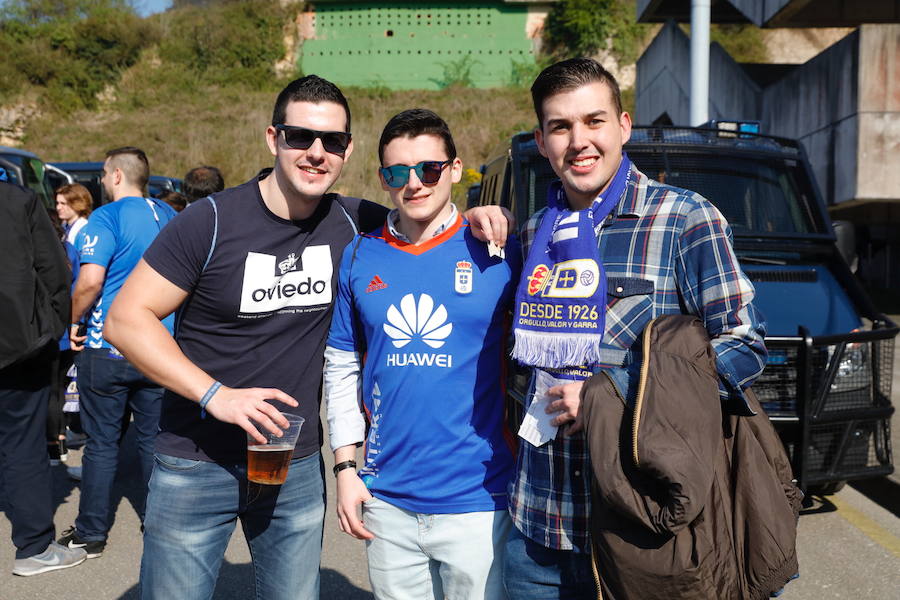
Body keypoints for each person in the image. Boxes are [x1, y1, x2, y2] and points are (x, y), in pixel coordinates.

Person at [103, 75, 510, 600]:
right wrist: (216, 395)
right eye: (301, 137)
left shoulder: (351, 220)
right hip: (197, 460)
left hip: (292, 463)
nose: (317, 153)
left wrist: (484, 215)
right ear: (273, 138)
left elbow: (425, 217)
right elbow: (126, 320)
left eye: (333, 141)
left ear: (348, 151)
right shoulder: (209, 221)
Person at [502, 58, 767, 598]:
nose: (579, 141)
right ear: (542, 140)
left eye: (594, 121)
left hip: (639, 528)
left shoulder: (685, 219)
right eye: (561, 126)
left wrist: (612, 398)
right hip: (536, 527)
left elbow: (743, 347)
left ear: (623, 125)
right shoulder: (533, 234)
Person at [325, 109, 520, 600]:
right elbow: (343, 365)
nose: (413, 183)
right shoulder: (359, 254)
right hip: (386, 499)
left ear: (455, 169)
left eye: (429, 169)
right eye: (397, 173)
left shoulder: (500, 250)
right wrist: (345, 469)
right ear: (381, 179)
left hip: (479, 498)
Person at [56, 147, 177, 559]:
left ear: (118, 176)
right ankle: (159, 525)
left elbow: (90, 281)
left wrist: (70, 320)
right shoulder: (169, 216)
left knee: (103, 442)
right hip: (159, 348)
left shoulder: (106, 218)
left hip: (108, 346)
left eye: (105, 175)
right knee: (151, 441)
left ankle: (91, 532)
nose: (103, 182)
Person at [1, 180, 87, 576]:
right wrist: (53, 330)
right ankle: (33, 546)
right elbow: (54, 272)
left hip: (20, 342)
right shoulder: (17, 200)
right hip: (18, 344)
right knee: (21, 443)